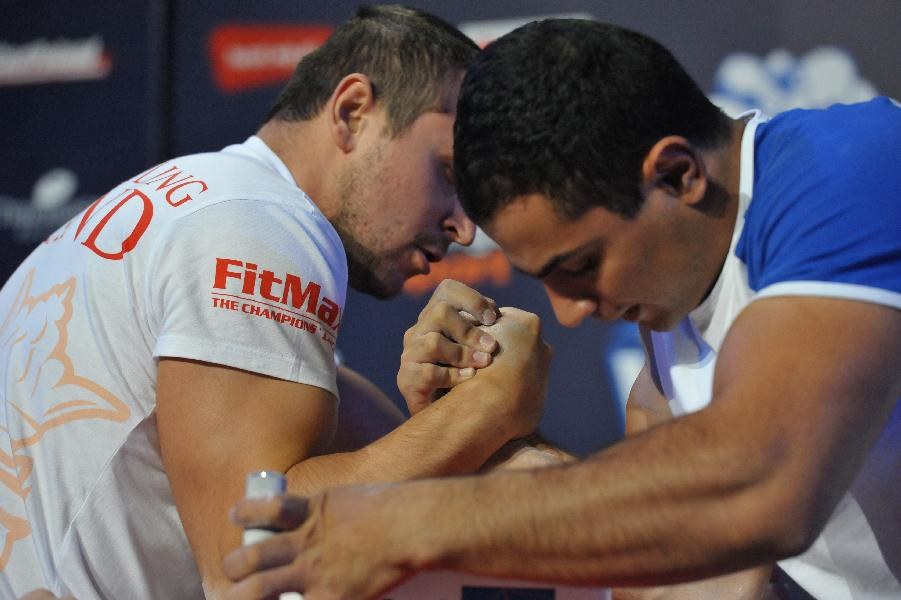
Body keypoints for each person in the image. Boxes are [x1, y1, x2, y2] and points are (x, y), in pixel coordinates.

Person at [222, 18, 901, 600]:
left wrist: (405, 523)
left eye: (578, 267)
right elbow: (681, 563)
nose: (570, 313)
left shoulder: (849, 170)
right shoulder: (672, 314)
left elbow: (762, 484)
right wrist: (494, 440)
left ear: (675, 174)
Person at [0, 6, 558, 598]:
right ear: (352, 111)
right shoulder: (263, 222)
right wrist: (487, 407)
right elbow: (244, 556)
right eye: (447, 173)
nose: (464, 227)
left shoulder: (204, 203)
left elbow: (394, 457)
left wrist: (452, 412)